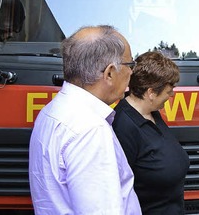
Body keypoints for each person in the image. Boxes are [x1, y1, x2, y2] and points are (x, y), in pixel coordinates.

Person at [29, 25, 141, 214]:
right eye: (130, 65)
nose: (132, 72)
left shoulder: (52, 111)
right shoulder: (90, 129)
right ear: (110, 73)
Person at [113, 51, 189, 214]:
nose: (172, 95)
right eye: (169, 91)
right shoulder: (123, 127)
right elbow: (117, 191)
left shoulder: (151, 111)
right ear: (151, 92)